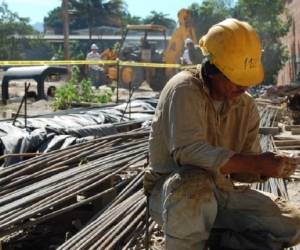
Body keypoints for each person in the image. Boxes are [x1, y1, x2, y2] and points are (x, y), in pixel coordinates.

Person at [144, 18, 300, 250]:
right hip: (173, 194)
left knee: (291, 224)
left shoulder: (245, 105)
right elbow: (188, 153)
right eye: (237, 80)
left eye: (247, 81)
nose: (243, 88)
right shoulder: (184, 89)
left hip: (221, 191)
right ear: (214, 70)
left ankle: (218, 241)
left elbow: (244, 170)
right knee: (193, 184)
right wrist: (255, 163)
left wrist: (269, 167)